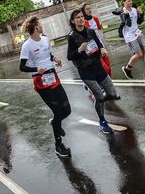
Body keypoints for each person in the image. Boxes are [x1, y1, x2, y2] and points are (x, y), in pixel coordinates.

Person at [19, 16, 72, 158]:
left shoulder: (45, 39)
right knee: (58, 112)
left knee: (67, 110)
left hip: (53, 77)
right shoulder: (27, 46)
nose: (42, 26)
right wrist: (36, 69)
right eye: (40, 24)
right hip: (41, 81)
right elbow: (22, 67)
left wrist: (55, 59)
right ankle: (58, 145)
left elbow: (47, 54)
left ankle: (55, 122)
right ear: (36, 27)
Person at [67, 9, 121, 134]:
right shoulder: (72, 36)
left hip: (98, 67)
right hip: (86, 71)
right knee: (99, 96)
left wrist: (102, 49)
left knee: (112, 94)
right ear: (73, 21)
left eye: (81, 17)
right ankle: (102, 121)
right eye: (77, 18)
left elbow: (98, 43)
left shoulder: (90, 31)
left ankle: (99, 98)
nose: (80, 19)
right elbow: (70, 56)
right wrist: (79, 50)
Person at [115, 0, 145, 80]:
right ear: (123, 2)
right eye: (128, 1)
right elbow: (128, 23)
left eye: (131, 0)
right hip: (129, 36)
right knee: (139, 54)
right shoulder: (122, 12)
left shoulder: (134, 10)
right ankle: (127, 68)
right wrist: (126, 15)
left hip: (137, 32)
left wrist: (141, 14)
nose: (131, 2)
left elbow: (139, 22)